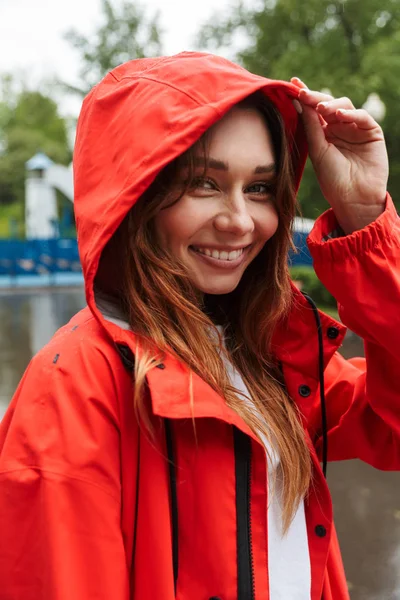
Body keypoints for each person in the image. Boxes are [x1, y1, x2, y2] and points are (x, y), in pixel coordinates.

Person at [0, 51, 398, 600]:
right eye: (204, 185)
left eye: (259, 187)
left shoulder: (267, 351)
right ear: (136, 197)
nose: (239, 220)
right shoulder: (75, 387)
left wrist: (362, 215)